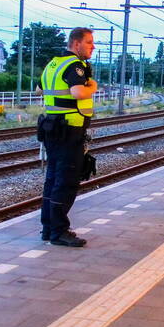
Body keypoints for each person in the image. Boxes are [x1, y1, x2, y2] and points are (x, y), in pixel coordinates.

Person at [39, 28, 97, 247]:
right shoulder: (74, 65)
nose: (92, 47)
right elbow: (78, 92)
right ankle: (59, 232)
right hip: (69, 130)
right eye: (89, 42)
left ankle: (48, 228)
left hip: (52, 129)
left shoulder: (53, 64)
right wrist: (93, 86)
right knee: (66, 182)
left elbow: (38, 90)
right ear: (76, 43)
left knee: (52, 179)